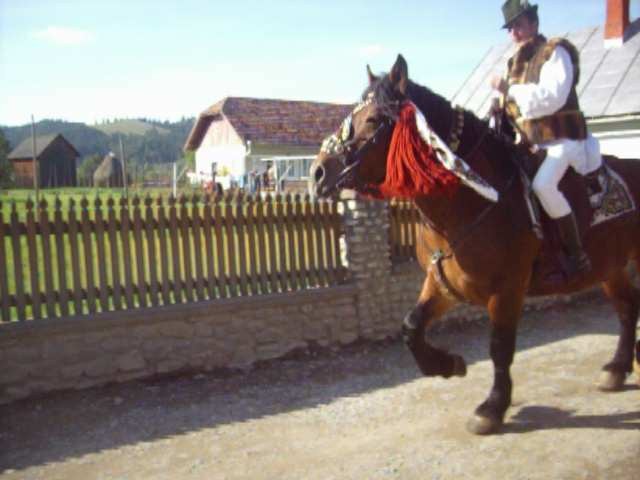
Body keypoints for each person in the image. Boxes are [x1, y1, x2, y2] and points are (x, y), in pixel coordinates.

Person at [490, 0, 601, 279]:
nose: (513, 33)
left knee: (542, 185)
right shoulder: (515, 63)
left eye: (518, 25)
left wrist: (509, 90)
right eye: (510, 28)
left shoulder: (556, 52)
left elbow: (552, 98)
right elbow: (511, 104)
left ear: (534, 24)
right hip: (533, 143)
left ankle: (577, 256)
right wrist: (498, 106)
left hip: (564, 138)